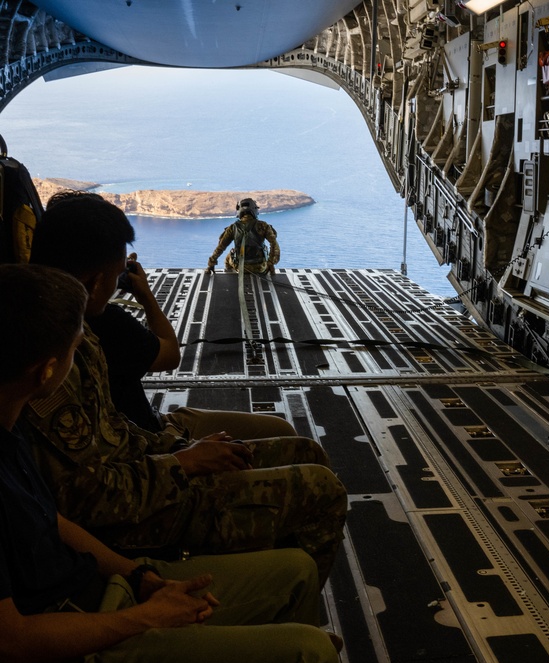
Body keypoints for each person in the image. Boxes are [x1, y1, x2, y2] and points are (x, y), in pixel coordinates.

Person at [0, 263, 341, 663]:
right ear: (47, 371)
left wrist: (140, 576)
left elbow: (53, 520)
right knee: (311, 652)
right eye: (75, 348)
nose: (84, 352)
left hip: (105, 589)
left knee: (298, 569)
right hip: (75, 630)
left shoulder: (9, 425)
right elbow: (13, 642)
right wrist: (142, 617)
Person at [24, 191, 347, 581]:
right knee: (321, 490)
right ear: (94, 283)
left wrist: (180, 449)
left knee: (306, 451)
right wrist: (182, 463)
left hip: (153, 471)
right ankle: (282, 594)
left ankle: (277, 588)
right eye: (113, 278)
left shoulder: (80, 336)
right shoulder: (51, 359)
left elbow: (119, 431)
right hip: (137, 518)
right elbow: (82, 499)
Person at [87, 250, 297, 439]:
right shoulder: (107, 322)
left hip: (134, 432)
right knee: (284, 432)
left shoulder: (62, 320)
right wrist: (146, 296)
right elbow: (170, 355)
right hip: (152, 438)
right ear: (98, 281)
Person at [206, 197, 280, 274]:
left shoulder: (233, 228)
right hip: (260, 267)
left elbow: (221, 247)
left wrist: (211, 263)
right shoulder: (263, 226)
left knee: (228, 257)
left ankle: (231, 275)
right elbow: (274, 245)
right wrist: (270, 263)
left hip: (239, 266)